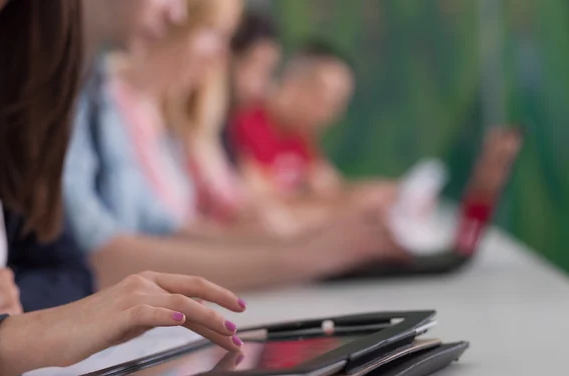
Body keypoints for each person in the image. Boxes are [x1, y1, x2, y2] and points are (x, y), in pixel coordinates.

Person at [0, 0, 245, 376]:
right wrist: (10, 339)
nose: (177, 15)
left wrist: (2, 306)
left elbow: (69, 268)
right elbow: (104, 252)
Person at [63, 0, 405, 292]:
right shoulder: (105, 99)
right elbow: (103, 252)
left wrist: (309, 243)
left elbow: (166, 227)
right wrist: (300, 253)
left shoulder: (123, 104)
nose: (223, 56)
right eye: (216, 33)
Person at [229, 40, 400, 228]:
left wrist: (384, 193)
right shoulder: (245, 122)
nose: (335, 115)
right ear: (297, 85)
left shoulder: (301, 138)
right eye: (332, 101)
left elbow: (331, 189)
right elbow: (261, 201)